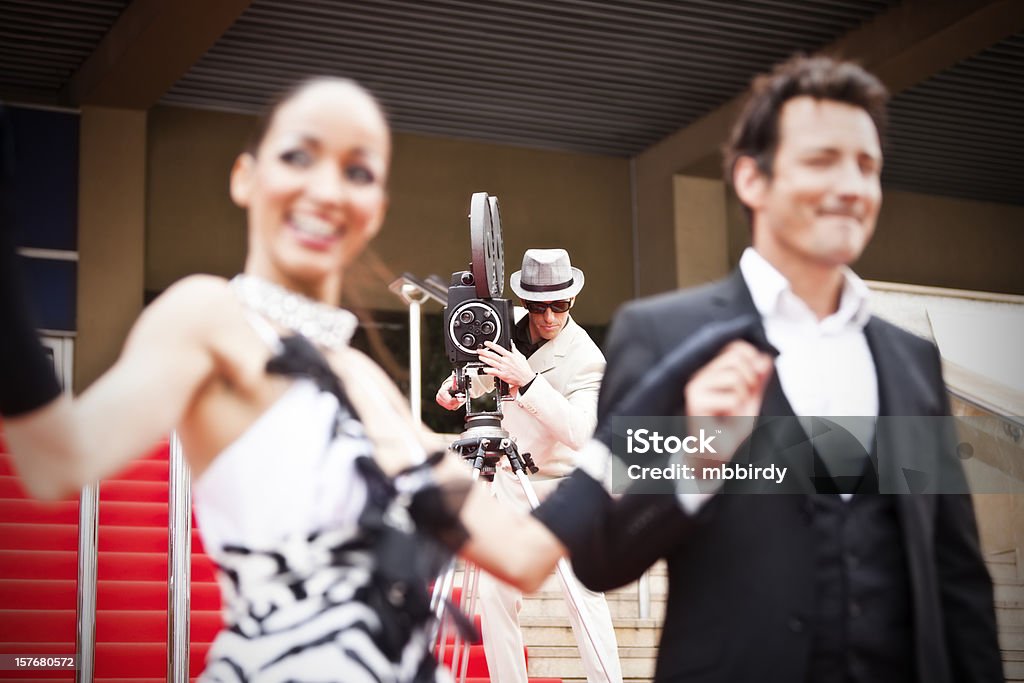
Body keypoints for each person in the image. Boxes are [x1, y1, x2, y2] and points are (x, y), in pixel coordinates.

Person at [0, 79, 564, 683]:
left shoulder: (365, 382)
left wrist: (644, 427)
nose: (326, 189)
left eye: (359, 171)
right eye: (299, 156)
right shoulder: (208, 316)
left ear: (374, 210)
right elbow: (56, 458)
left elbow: (523, 556)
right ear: (245, 177)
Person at [533, 56, 1004, 682]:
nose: (853, 186)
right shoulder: (663, 335)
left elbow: (958, 579)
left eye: (867, 166)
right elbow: (599, 557)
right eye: (821, 160)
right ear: (751, 179)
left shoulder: (910, 361)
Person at [436, 248, 622, 683]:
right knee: (496, 596)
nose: (550, 317)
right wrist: (456, 388)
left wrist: (530, 382)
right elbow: (484, 372)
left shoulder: (587, 358)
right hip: (509, 481)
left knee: (583, 597)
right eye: (541, 307)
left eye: (560, 305)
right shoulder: (507, 328)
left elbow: (584, 431)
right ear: (527, 302)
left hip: (564, 486)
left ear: (572, 300)